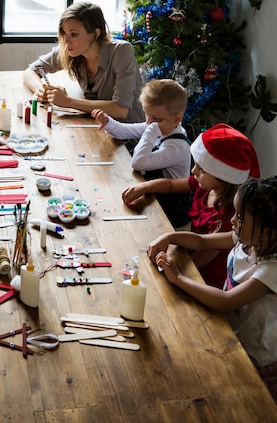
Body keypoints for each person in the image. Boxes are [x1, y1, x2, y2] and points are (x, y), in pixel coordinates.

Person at [147, 176, 277, 402]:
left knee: (248, 405)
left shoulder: (271, 270)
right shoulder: (247, 240)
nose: (233, 220)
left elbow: (225, 300)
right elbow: (203, 241)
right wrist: (169, 236)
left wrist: (177, 278)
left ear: (267, 230)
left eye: (241, 218)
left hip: (258, 355)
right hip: (230, 332)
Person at [124, 123, 260, 288]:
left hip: (204, 280)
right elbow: (170, 185)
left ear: (222, 176)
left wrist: (172, 272)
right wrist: (143, 187)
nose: (194, 171)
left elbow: (197, 263)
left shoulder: (227, 217)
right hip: (188, 255)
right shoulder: (204, 186)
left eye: (201, 169)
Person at [92, 79, 191, 227]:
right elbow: (124, 131)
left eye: (155, 118)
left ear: (176, 119)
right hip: (156, 198)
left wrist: (151, 130)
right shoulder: (157, 126)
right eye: (146, 114)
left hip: (172, 214)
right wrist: (108, 122)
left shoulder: (176, 146)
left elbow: (138, 162)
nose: (149, 122)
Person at [23, 2, 144, 122]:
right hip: (96, 126)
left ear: (95, 34)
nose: (66, 41)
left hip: (128, 134)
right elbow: (30, 71)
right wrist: (41, 91)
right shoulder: (71, 50)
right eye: (64, 33)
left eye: (74, 34)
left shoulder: (121, 51)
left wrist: (67, 101)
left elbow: (121, 110)